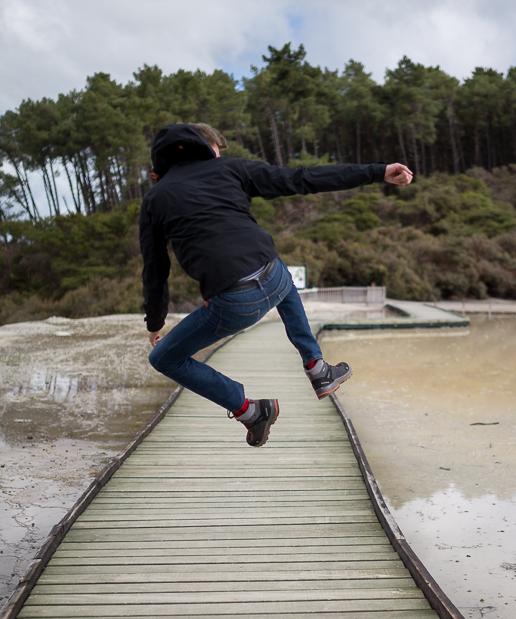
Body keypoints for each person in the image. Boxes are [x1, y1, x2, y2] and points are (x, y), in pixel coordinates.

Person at [140, 123, 413, 446]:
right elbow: (303, 178)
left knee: (164, 359)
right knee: (271, 260)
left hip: (232, 303)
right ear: (203, 148)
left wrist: (155, 323)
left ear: (160, 164)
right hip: (274, 278)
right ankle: (316, 366)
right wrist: (377, 171)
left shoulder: (154, 200)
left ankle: (249, 411)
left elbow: (156, 271)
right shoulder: (232, 169)